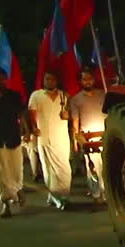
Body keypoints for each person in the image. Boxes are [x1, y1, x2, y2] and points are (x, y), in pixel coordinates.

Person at [0, 67, 28, 218]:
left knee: (16, 168)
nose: (1, 82)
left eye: (3, 79)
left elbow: (22, 114)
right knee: (1, 171)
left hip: (13, 137)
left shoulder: (13, 96)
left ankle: (18, 189)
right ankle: (5, 203)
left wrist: (27, 131)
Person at [29, 70, 72, 210]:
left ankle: (62, 195)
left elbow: (70, 113)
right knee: (49, 170)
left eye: (52, 79)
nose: (50, 82)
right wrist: (34, 128)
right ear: (43, 80)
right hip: (45, 138)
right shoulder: (36, 95)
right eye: (47, 79)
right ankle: (57, 198)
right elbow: (32, 113)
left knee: (64, 169)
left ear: (57, 81)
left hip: (62, 138)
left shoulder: (64, 96)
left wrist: (68, 115)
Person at [71, 67, 107, 203]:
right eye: (84, 79)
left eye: (89, 79)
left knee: (105, 165)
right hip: (88, 138)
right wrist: (76, 140)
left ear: (94, 80)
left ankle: (106, 192)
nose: (87, 82)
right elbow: (75, 121)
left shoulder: (103, 94)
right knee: (92, 166)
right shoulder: (76, 99)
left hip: (104, 134)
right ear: (81, 81)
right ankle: (96, 194)